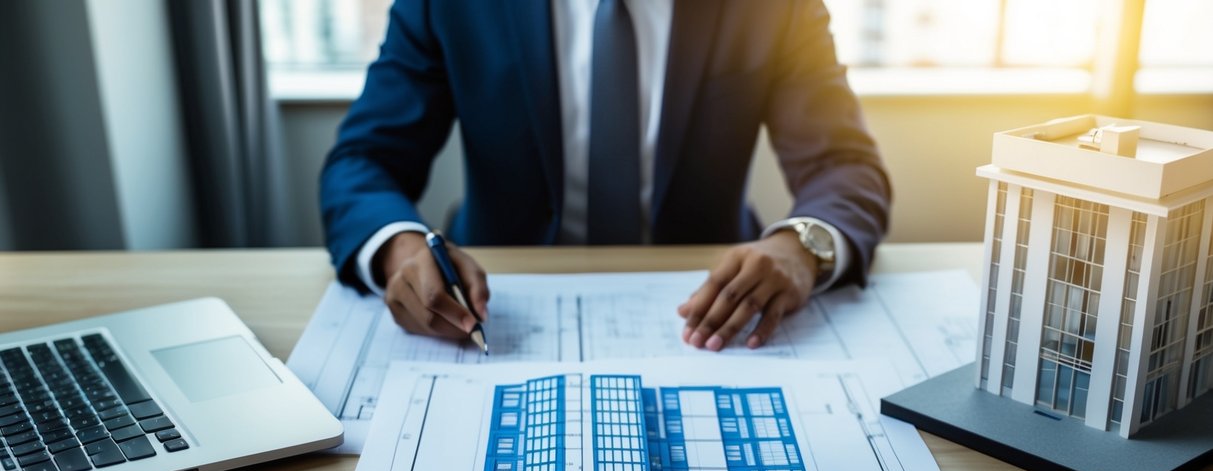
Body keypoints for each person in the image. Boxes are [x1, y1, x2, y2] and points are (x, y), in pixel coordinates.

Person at [321, 0, 890, 351]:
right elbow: (364, 160)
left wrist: (802, 247)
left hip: (709, 306)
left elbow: (844, 164)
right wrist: (398, 248)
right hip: (499, 300)